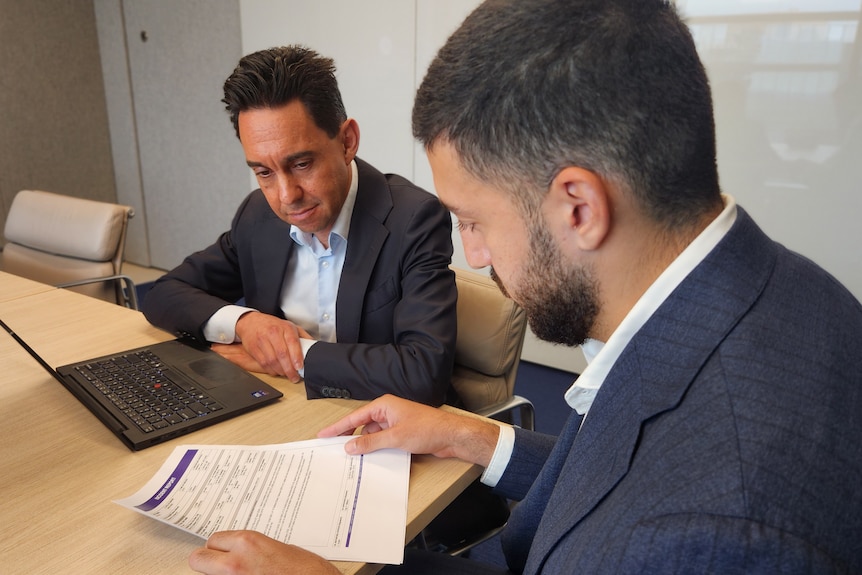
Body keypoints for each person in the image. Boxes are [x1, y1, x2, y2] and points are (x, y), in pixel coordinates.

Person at [188, 0, 862, 573]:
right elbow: (614, 477)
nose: (474, 256)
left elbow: (645, 519)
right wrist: (464, 435)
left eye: (474, 221)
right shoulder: (784, 292)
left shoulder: (711, 532)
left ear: (578, 207)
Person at [142, 46, 458, 406]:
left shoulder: (413, 219)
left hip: (380, 420)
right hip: (287, 411)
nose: (286, 195)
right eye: (263, 172)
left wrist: (293, 355)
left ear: (347, 142)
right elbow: (164, 294)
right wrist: (248, 323)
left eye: (302, 164)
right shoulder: (258, 215)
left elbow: (423, 373)